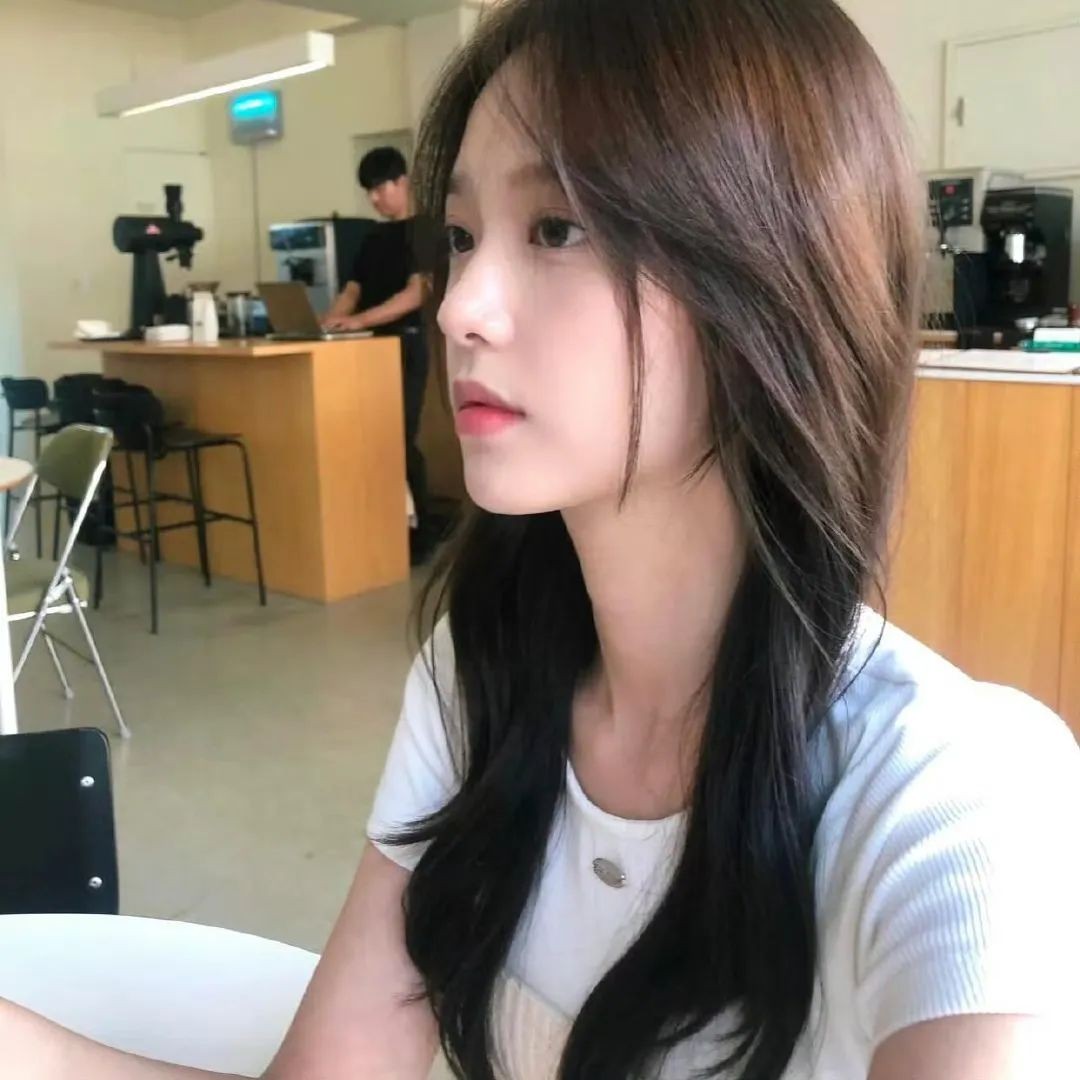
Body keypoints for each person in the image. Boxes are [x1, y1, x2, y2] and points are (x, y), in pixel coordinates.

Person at [4, 0, 1079, 1077]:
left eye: (558, 228)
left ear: (775, 276)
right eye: (462, 237)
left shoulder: (959, 797)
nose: (459, 307)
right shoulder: (478, 676)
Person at [323, 145, 436, 564]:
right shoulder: (372, 237)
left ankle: (419, 533)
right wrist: (333, 320)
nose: (373, 198)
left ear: (402, 182)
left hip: (405, 344)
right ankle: (378, 526)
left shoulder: (425, 230)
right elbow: (351, 291)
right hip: (363, 349)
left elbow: (416, 292)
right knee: (366, 439)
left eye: (379, 188)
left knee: (398, 438)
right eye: (368, 191)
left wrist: (358, 320)